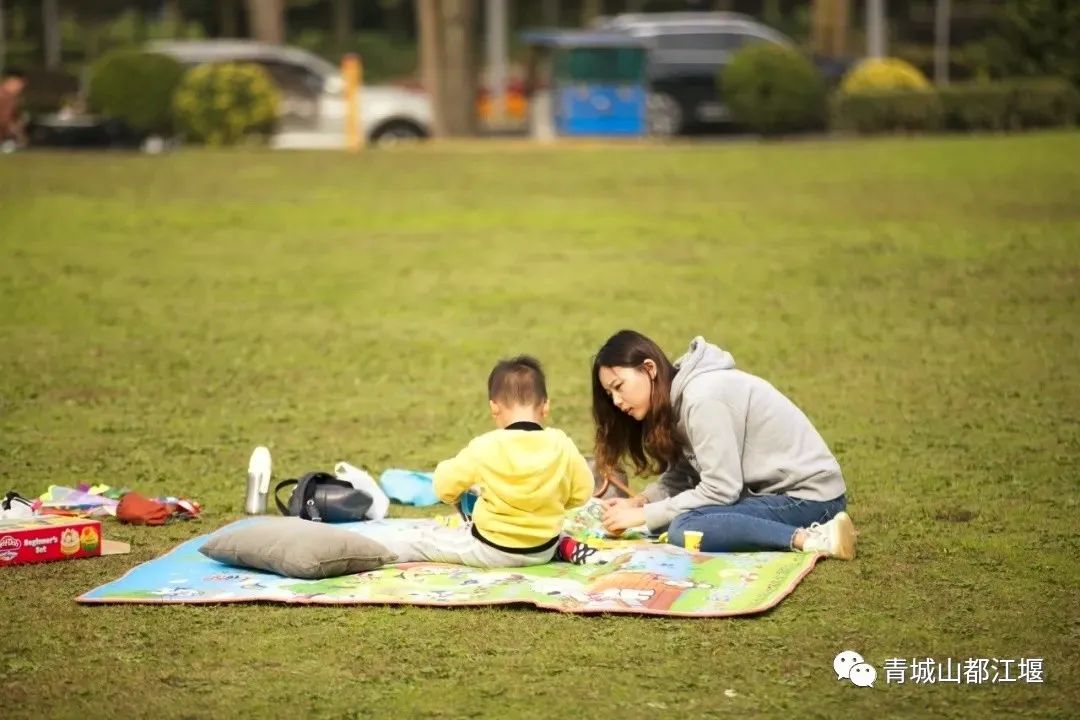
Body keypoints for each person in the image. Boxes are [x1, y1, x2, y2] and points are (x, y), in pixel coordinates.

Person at [592, 330, 857, 559]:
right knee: (674, 521)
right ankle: (808, 534)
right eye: (609, 394)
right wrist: (641, 502)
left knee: (685, 527)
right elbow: (685, 474)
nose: (616, 401)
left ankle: (812, 538)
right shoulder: (679, 399)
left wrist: (645, 515)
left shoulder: (702, 398)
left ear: (649, 369)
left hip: (809, 498)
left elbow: (721, 489)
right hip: (773, 495)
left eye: (619, 386)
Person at [380, 355, 595, 568]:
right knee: (551, 528)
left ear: (494, 408)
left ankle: (371, 551)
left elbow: (443, 487)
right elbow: (582, 493)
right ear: (545, 406)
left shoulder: (486, 446)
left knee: (422, 541)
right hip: (542, 549)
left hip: (492, 549)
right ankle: (563, 545)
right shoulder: (562, 444)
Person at [0, 68, 29, 150]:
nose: (21, 87)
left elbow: (14, 120)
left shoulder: (14, 99)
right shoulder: (3, 96)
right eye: (20, 83)